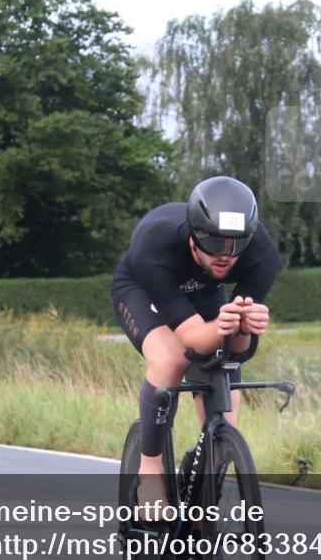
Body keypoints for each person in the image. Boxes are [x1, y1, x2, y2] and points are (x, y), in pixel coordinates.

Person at [110, 176, 281, 521]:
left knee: (227, 409)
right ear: (193, 238)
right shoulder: (153, 246)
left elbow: (237, 350)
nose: (225, 257)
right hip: (144, 289)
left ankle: (207, 479)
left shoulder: (262, 255)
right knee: (171, 360)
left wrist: (245, 327)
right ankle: (151, 471)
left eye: (235, 248)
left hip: (204, 294)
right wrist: (222, 326)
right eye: (214, 246)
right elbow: (191, 340)